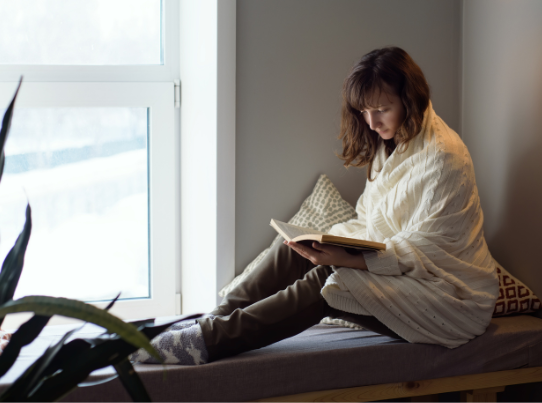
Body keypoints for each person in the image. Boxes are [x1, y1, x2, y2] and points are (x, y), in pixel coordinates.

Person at [133, 46, 499, 366]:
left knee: (331, 281)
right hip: (402, 272)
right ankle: (212, 321)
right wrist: (325, 242)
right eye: (364, 111)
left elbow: (425, 253)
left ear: (410, 98)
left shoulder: (442, 158)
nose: (371, 122)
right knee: (294, 246)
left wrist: (347, 259)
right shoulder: (393, 143)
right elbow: (371, 223)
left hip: (447, 297)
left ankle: (204, 342)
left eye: (382, 109)